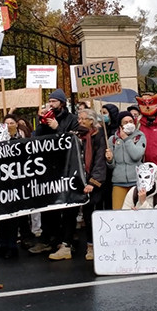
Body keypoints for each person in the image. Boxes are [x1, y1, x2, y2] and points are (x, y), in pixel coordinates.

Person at [29, 89, 80, 254]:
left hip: (67, 168)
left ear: (62, 103)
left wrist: (58, 129)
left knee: (68, 207)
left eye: (54, 101)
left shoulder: (72, 119)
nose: (51, 104)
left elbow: (73, 142)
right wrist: (43, 124)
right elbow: (36, 140)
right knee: (49, 206)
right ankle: (48, 238)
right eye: (49, 101)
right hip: (49, 169)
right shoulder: (44, 119)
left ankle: (66, 240)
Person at [52, 108, 106, 261]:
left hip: (90, 183)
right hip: (75, 180)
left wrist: (93, 182)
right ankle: (66, 246)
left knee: (89, 215)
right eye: (79, 119)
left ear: (91, 120)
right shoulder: (75, 135)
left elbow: (99, 161)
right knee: (69, 214)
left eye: (83, 119)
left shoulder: (99, 136)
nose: (80, 121)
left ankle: (92, 246)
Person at [105, 111, 147, 210]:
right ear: (120, 125)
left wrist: (127, 139)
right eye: (125, 122)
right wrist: (109, 160)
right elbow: (111, 166)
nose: (129, 124)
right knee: (118, 211)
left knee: (136, 212)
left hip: (136, 181)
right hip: (118, 182)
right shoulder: (112, 140)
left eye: (131, 121)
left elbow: (136, 155)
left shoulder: (139, 136)